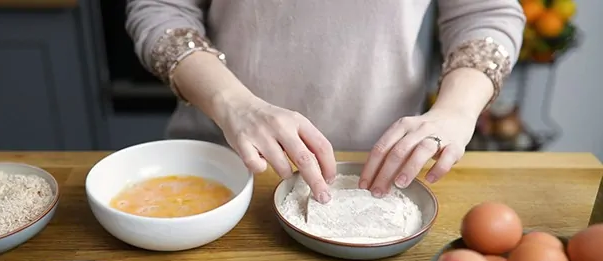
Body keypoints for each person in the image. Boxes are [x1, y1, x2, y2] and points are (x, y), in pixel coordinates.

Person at [126, 0, 526, 203]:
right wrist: (234, 103)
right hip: (225, 166)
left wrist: (456, 110)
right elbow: (161, 8)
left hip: (385, 169)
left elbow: (485, 12)